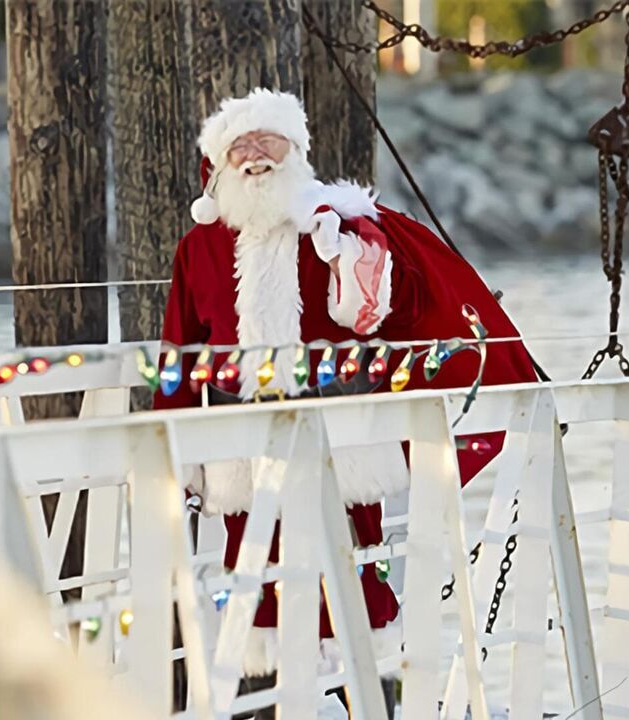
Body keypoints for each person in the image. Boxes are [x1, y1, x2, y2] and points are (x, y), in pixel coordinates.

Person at [153, 88, 538, 712]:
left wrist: (353, 256)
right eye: (240, 145)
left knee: (358, 575)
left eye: (269, 141)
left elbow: (384, 307)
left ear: (297, 150)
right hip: (240, 454)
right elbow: (181, 352)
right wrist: (170, 446)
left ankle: (375, 701)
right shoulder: (199, 248)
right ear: (218, 163)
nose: (255, 157)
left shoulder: (338, 226)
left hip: (342, 443)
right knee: (250, 586)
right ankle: (262, 704)